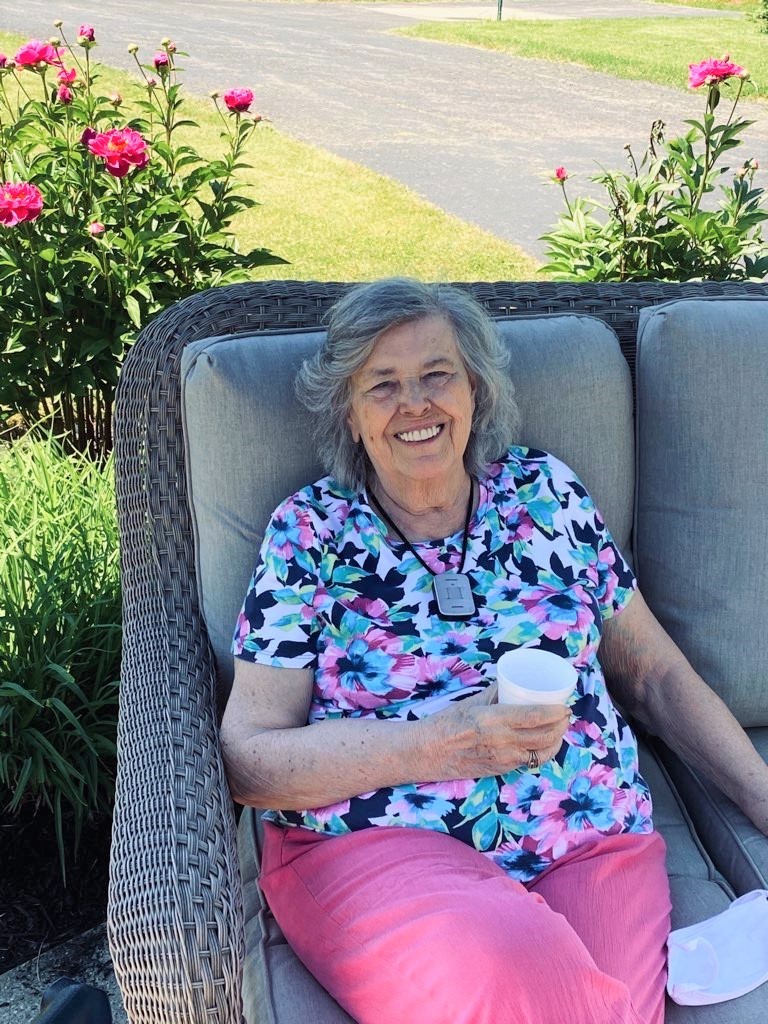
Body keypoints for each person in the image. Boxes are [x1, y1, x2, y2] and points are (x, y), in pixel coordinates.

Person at [220, 278, 768, 1024]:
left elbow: (655, 675)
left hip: (587, 836)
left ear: (475, 390)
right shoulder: (309, 533)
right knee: (538, 990)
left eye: (436, 374)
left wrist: (762, 799)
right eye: (382, 385)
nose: (415, 403)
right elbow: (250, 759)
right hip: (380, 841)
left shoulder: (548, 494)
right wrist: (435, 745)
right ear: (349, 413)